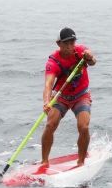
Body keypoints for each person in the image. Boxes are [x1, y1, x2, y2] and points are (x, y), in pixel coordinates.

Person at [41, 27, 96, 167]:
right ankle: (44, 162)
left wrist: (89, 57)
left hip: (81, 95)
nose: (70, 47)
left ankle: (81, 162)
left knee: (83, 127)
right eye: (66, 44)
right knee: (50, 125)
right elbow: (48, 84)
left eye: (72, 43)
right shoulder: (53, 62)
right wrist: (46, 102)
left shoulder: (81, 52)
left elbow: (92, 61)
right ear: (59, 44)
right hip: (61, 96)